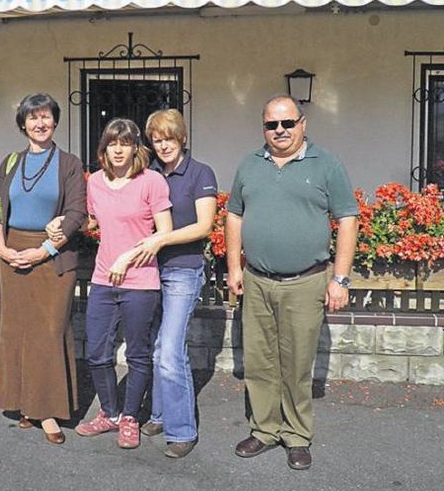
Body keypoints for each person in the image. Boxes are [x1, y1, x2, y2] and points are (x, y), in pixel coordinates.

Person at [225, 93, 358, 470]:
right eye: (272, 124)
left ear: (303, 124)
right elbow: (234, 215)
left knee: (297, 363)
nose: (280, 130)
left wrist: (341, 279)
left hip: (306, 282)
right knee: (259, 361)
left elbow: (348, 218)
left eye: (287, 123)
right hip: (257, 281)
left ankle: (297, 435)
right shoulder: (249, 165)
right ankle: (265, 430)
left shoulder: (326, 164)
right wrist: (234, 268)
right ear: (263, 127)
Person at [0, 92, 86, 445]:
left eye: (46, 117)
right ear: (23, 124)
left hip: (53, 257)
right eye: (33, 118)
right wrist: (2, 249)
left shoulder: (69, 164)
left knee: (48, 331)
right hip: (12, 253)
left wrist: (42, 251)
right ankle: (23, 404)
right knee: (17, 330)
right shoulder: (10, 162)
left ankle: (49, 412)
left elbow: (76, 215)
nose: (40, 124)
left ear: (55, 122)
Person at [72, 118, 172, 449]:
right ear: (104, 148)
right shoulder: (96, 183)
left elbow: (164, 232)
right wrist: (62, 223)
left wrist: (127, 258)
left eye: (125, 143)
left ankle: (130, 417)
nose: (118, 149)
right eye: (112, 143)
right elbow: (89, 220)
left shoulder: (151, 181)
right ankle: (110, 413)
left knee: (138, 354)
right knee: (98, 350)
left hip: (140, 281)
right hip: (103, 279)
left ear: (135, 148)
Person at [133, 109, 218, 458]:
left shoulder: (200, 173)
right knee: (155, 346)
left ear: (181, 138)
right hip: (149, 270)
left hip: (183, 269)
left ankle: (182, 430)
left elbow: (204, 226)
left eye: (168, 138)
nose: (163, 145)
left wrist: (160, 240)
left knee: (170, 349)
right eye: (156, 139)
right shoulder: (150, 174)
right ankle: (159, 413)